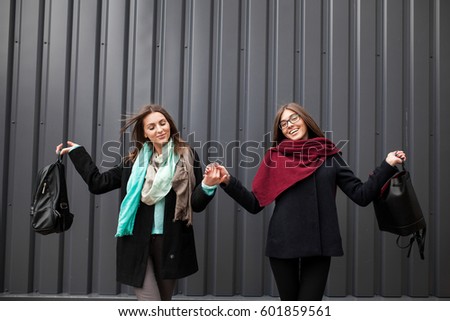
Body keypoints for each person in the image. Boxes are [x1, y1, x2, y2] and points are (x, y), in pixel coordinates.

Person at [204, 102, 406, 301]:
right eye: (283, 123)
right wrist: (227, 181)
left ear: (305, 120)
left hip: (319, 245)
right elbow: (255, 204)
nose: (289, 125)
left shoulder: (330, 156)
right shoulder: (275, 158)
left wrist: (387, 165)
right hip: (283, 243)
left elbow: (361, 195)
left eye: (294, 118)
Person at [56, 104, 217, 300]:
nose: (159, 129)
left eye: (162, 123)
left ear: (170, 125)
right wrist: (78, 153)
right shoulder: (133, 162)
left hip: (171, 242)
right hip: (136, 241)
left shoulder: (187, 156)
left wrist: (208, 185)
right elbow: (98, 183)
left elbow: (197, 205)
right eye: (151, 127)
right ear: (145, 134)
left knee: (164, 304)